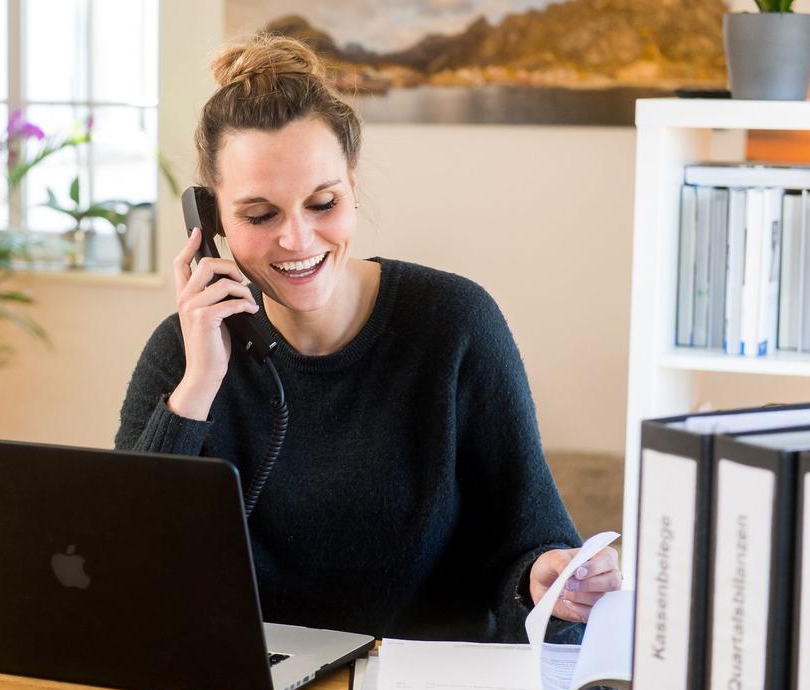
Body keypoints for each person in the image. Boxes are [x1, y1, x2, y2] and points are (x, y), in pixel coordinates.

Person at [114, 33, 621, 642]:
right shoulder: (183, 350)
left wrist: (548, 583)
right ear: (211, 220)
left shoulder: (455, 324)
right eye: (260, 215)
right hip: (253, 683)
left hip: (424, 683)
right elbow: (127, 567)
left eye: (322, 203)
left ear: (352, 188)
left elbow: (531, 544)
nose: (297, 239)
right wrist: (198, 387)